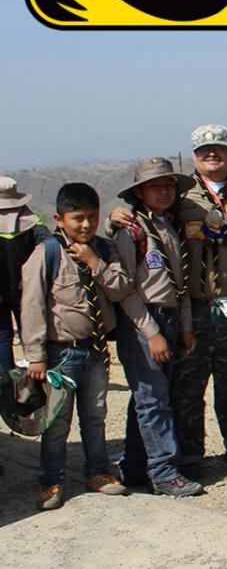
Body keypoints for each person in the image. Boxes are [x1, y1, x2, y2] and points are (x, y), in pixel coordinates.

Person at [19, 182, 130, 510]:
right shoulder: (48, 254)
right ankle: (51, 480)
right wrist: (35, 356)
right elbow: (32, 306)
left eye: (92, 217)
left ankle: (97, 472)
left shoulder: (105, 250)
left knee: (95, 415)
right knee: (56, 422)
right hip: (60, 353)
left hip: (95, 350)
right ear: (59, 219)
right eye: (77, 218)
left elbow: (121, 289)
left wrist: (96, 262)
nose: (85, 225)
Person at [111, 157, 202, 498]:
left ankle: (135, 467)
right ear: (139, 192)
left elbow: (181, 284)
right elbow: (125, 290)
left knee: (150, 399)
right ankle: (164, 472)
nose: (164, 192)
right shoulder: (130, 230)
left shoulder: (169, 226)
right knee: (153, 400)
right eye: (155, 186)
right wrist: (151, 332)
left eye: (168, 186)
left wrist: (185, 327)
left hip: (170, 316)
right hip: (143, 319)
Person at [170, 124, 227, 469]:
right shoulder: (181, 195)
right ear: (194, 155)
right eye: (204, 149)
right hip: (194, 305)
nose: (212, 154)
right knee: (190, 385)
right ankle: (191, 456)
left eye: (220, 148)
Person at [1, 175, 51, 372]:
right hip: (27, 288)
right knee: (29, 331)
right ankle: (34, 376)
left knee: (3, 335)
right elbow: (50, 243)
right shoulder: (31, 222)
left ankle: (5, 381)